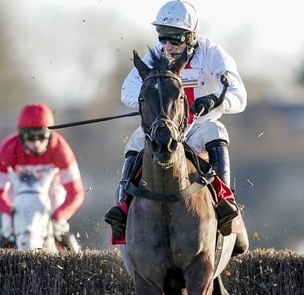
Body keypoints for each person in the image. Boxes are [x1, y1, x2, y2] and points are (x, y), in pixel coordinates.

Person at [104, 0, 249, 254]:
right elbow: (127, 91)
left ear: (192, 36)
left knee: (216, 132)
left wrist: (216, 100)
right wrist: (152, 95)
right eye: (163, 36)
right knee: (136, 141)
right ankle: (123, 206)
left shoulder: (212, 53)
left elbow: (240, 96)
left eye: (176, 38)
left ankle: (225, 203)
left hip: (199, 127)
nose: (168, 45)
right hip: (165, 129)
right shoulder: (155, 56)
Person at [0, 103, 84, 251]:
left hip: (51, 198)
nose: (37, 143)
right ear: (21, 136)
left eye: (42, 136)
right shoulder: (8, 149)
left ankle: (76, 258)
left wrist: (59, 215)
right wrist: (12, 211)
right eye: (30, 137)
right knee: (7, 229)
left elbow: (76, 193)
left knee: (60, 227)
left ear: (50, 134)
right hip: (18, 200)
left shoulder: (61, 150)